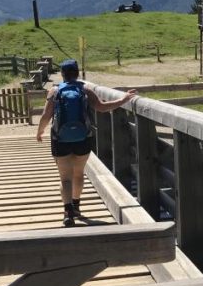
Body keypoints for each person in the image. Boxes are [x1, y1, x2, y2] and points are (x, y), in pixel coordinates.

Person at [36, 59, 137, 226]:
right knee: (78, 173)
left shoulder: (54, 91)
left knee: (65, 179)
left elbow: (46, 116)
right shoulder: (85, 89)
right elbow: (102, 107)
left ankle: (68, 212)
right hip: (83, 138)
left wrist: (40, 131)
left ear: (62, 74)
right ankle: (76, 205)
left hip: (60, 139)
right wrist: (124, 99)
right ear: (76, 73)